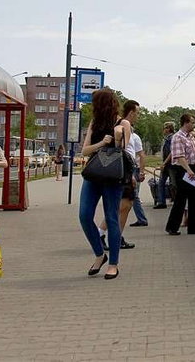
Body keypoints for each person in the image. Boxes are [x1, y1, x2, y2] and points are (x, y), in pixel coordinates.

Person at [80, 88, 129, 280]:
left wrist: (117, 137)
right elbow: (85, 150)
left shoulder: (122, 122)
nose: (94, 107)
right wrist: (102, 142)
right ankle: (100, 254)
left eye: (96, 103)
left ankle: (113, 264)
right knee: (84, 215)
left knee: (111, 218)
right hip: (93, 174)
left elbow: (123, 150)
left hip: (113, 177)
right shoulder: (95, 122)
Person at [97, 100, 141, 250]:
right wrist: (131, 173)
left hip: (122, 169)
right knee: (122, 205)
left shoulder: (121, 125)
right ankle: (106, 235)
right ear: (131, 112)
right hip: (122, 170)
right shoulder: (124, 125)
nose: (138, 116)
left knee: (124, 205)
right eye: (138, 113)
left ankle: (113, 236)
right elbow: (123, 150)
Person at [164, 114, 195, 235]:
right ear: (185, 123)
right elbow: (179, 157)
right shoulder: (178, 137)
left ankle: (193, 227)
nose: (194, 125)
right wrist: (188, 170)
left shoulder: (190, 137)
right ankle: (172, 227)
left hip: (194, 168)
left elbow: (194, 151)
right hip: (184, 170)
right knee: (181, 199)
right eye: (192, 122)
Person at [128, 130, 148, 227]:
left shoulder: (135, 137)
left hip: (134, 168)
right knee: (133, 195)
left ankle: (142, 219)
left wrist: (141, 171)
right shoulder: (130, 136)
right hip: (131, 168)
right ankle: (141, 218)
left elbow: (141, 155)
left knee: (134, 195)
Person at [153, 122, 175, 209]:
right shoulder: (166, 139)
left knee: (173, 184)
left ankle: (177, 200)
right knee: (161, 183)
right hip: (166, 164)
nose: (163, 130)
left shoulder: (172, 138)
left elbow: (171, 152)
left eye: (165, 128)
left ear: (169, 129)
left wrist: (164, 163)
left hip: (171, 165)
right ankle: (161, 202)